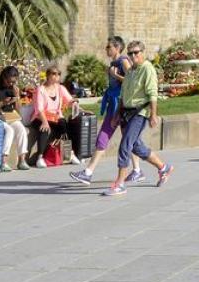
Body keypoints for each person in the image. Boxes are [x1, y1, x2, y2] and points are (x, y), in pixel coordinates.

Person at [103, 40, 173, 197]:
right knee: (136, 146)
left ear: (143, 52)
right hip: (126, 113)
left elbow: (152, 93)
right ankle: (163, 167)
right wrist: (117, 115)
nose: (133, 55)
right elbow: (123, 94)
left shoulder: (147, 69)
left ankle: (119, 184)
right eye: (130, 53)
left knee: (125, 145)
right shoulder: (130, 71)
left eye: (136, 52)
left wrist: (153, 115)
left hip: (139, 113)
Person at [69, 36, 142, 185]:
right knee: (130, 139)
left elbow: (131, 80)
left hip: (119, 105)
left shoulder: (123, 61)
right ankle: (137, 171)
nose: (106, 49)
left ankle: (88, 173)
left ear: (117, 47)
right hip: (116, 104)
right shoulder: (116, 62)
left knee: (105, 136)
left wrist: (115, 75)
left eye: (109, 47)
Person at [31, 65, 80, 168]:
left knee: (64, 125)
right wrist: (44, 122)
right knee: (45, 129)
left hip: (55, 118)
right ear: (48, 76)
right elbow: (38, 109)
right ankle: (40, 158)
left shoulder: (60, 88)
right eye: (54, 74)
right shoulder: (40, 89)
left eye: (58, 74)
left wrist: (74, 103)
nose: (57, 76)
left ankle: (69, 154)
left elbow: (69, 100)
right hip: (41, 117)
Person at [0, 66, 30, 171]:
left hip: (10, 116)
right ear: (4, 77)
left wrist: (17, 97)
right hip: (0, 116)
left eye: (13, 82)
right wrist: (4, 102)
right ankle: (3, 161)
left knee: (21, 129)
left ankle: (22, 161)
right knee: (10, 130)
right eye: (9, 81)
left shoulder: (13, 88)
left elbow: (18, 109)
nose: (11, 84)